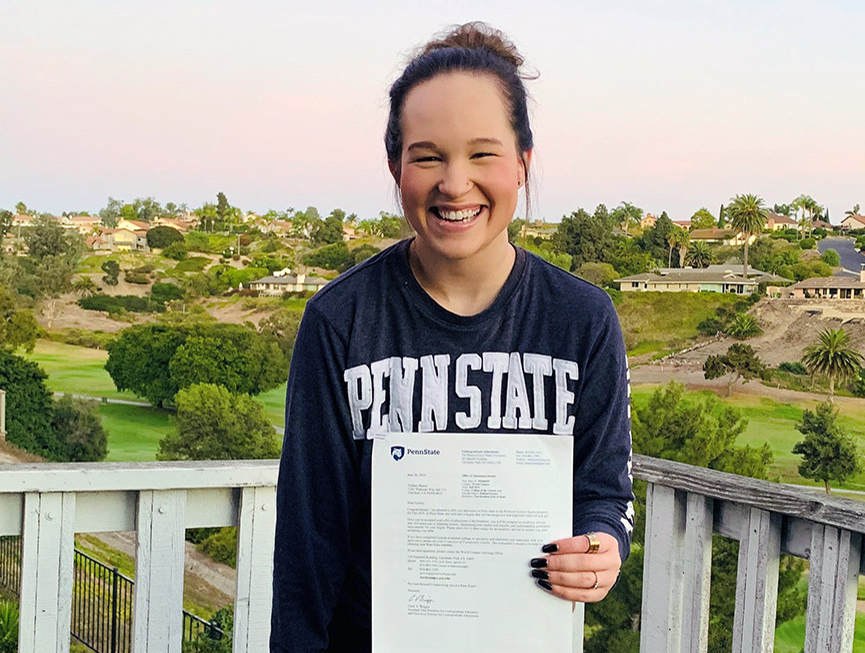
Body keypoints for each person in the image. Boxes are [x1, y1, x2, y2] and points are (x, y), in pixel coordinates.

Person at [271, 22, 634, 651]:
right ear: (396, 167)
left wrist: (602, 546)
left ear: (522, 162)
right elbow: (310, 540)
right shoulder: (340, 320)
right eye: (428, 155)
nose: (455, 182)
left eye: (483, 153)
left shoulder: (583, 320)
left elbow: (603, 490)